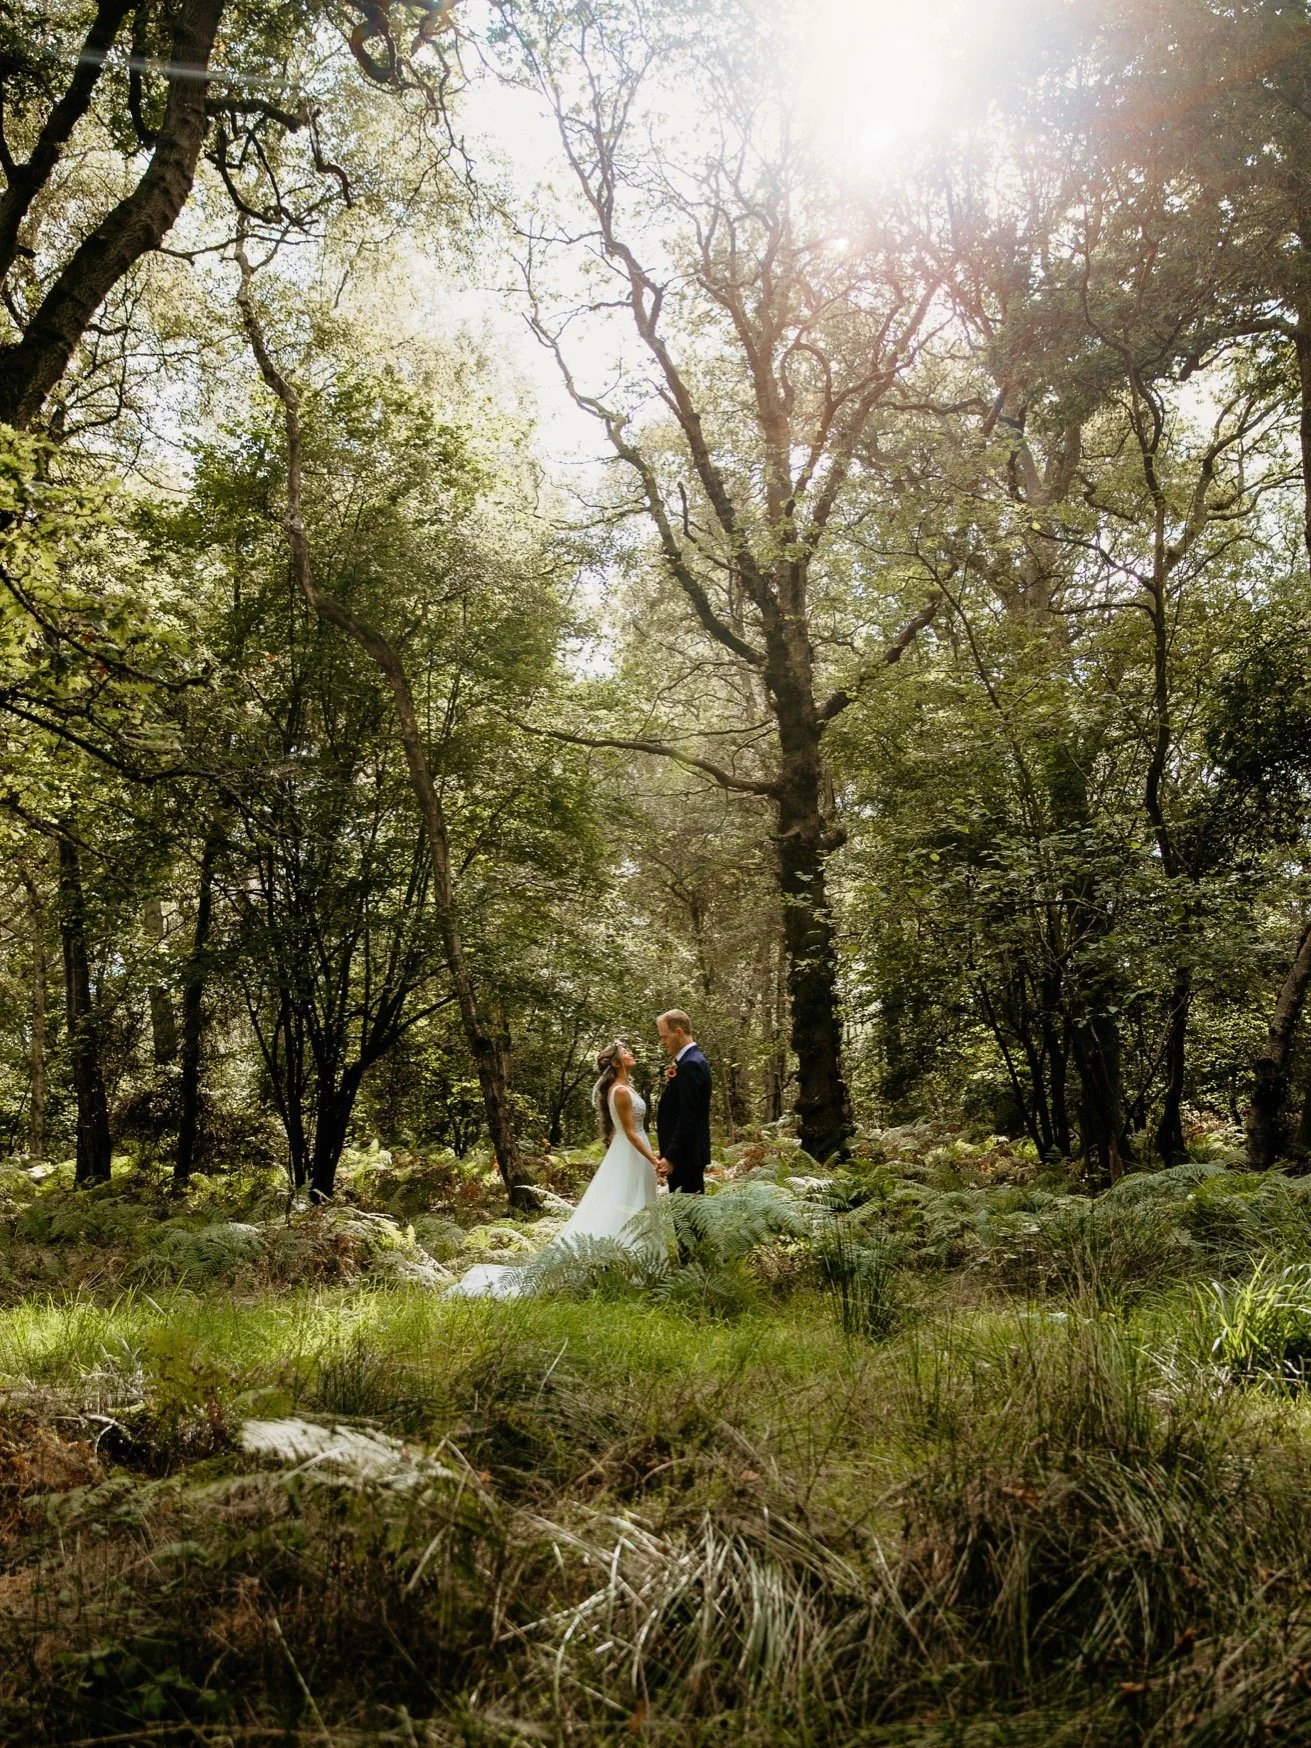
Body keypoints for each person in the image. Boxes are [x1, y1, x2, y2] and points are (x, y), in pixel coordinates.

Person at [445, 1039, 659, 1299]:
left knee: (635, 1203)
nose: (631, 1053)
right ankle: (628, 1267)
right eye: (626, 1052)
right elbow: (629, 1132)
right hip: (633, 1151)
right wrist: (653, 1159)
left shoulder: (625, 1087)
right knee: (628, 1203)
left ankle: (638, 1264)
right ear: (615, 1063)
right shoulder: (621, 1091)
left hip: (631, 1152)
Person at [655, 1009, 712, 1196]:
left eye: (664, 1036)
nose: (662, 1042)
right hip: (685, 1155)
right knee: (686, 1219)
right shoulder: (688, 1061)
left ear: (678, 1032)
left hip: (685, 1156)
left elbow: (689, 1116)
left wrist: (671, 1156)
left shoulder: (691, 1065)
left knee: (688, 1221)